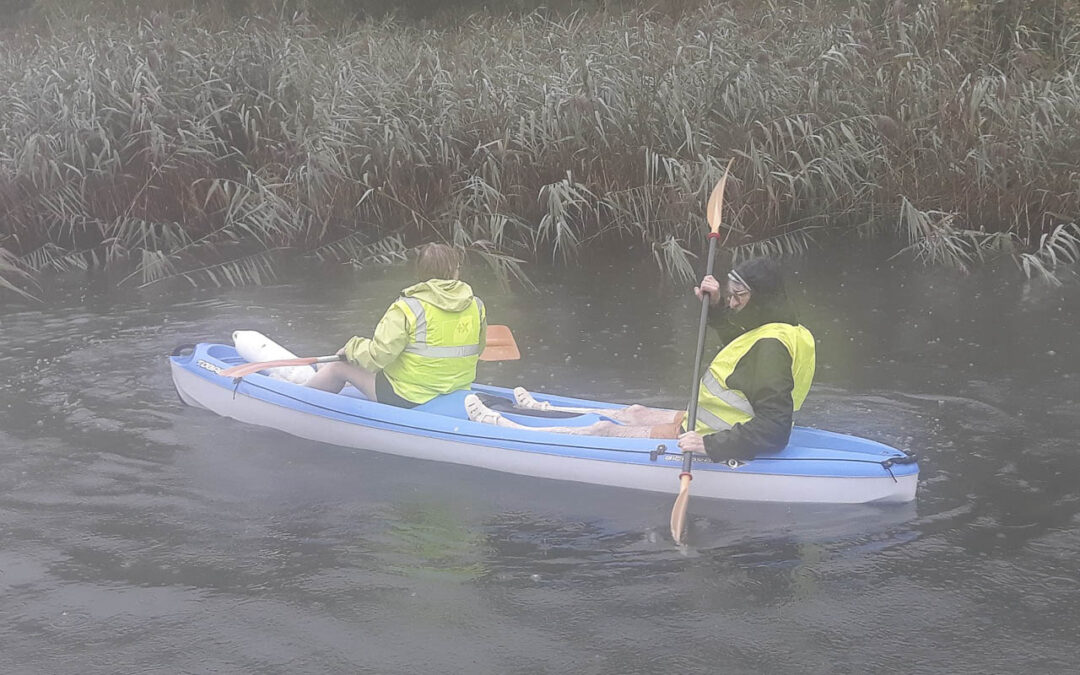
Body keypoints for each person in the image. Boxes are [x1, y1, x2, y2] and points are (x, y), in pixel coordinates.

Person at [464, 256, 815, 461]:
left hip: (716, 433)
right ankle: (542, 411)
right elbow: (744, 356)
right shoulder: (781, 327)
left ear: (761, 297)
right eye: (731, 292)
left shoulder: (772, 346)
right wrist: (718, 304)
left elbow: (775, 430)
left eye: (738, 295)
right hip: (715, 423)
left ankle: (511, 431)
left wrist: (710, 446)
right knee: (634, 412)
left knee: (605, 430)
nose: (734, 300)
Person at [306, 242, 486, 408]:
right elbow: (479, 349)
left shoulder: (407, 308)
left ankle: (298, 399)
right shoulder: (476, 305)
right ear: (456, 271)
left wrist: (351, 348)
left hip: (408, 397)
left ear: (420, 272)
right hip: (458, 390)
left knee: (339, 366)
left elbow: (377, 357)